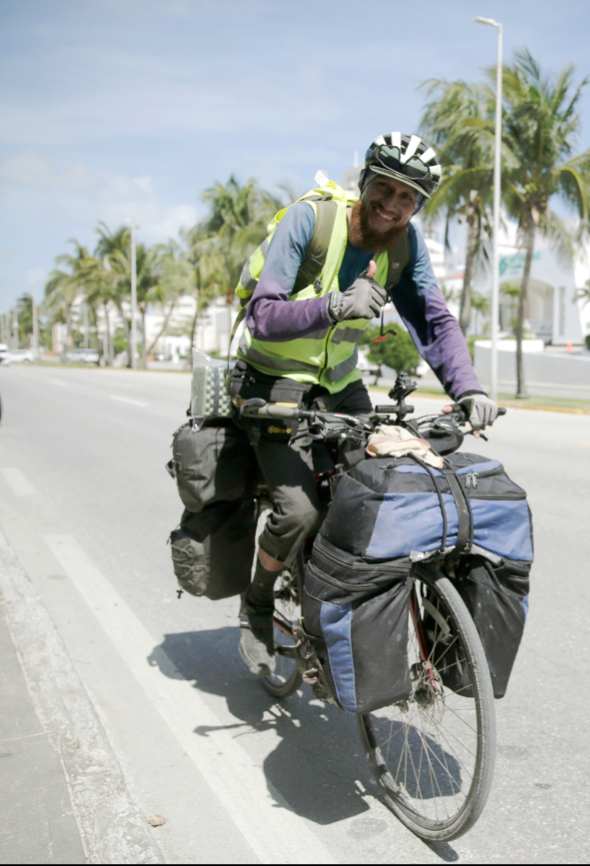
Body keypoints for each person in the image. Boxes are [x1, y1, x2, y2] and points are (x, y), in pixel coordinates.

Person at [229, 132, 499, 674]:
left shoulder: (405, 243)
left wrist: (468, 388)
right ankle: (257, 605)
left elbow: (433, 321)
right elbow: (262, 314)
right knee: (300, 510)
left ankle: (339, 604)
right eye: (386, 189)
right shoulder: (310, 222)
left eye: (409, 199)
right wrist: (333, 306)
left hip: (339, 384)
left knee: (382, 491)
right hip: (272, 379)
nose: (394, 206)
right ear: (365, 183)